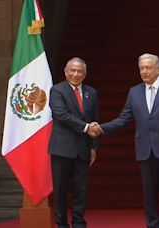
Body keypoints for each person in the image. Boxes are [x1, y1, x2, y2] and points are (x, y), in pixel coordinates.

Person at [100, 53, 159, 228]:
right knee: (149, 195)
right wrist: (101, 128)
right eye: (141, 68)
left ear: (158, 68)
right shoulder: (134, 92)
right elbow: (124, 118)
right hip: (144, 150)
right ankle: (153, 225)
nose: (144, 71)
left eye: (148, 67)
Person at [48, 57, 102, 228]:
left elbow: (95, 119)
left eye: (80, 71)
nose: (76, 74)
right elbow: (61, 115)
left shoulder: (91, 93)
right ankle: (61, 224)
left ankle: (79, 223)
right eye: (72, 70)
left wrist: (94, 147)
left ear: (84, 74)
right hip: (62, 149)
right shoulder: (57, 90)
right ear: (66, 72)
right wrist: (86, 127)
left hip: (83, 149)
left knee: (81, 191)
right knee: (61, 190)